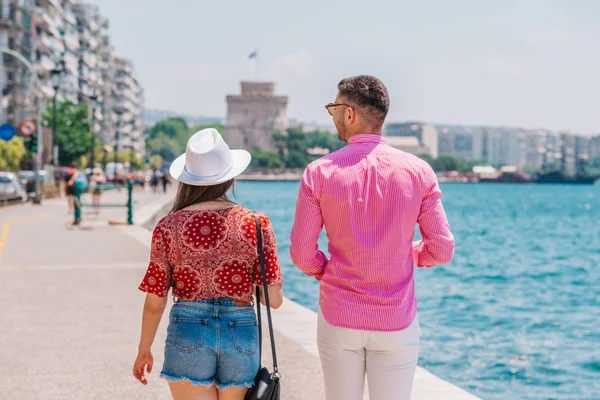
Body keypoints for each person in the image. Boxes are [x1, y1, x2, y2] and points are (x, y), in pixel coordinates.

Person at [289, 75, 455, 400]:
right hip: (396, 318)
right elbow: (442, 249)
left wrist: (327, 270)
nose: (333, 116)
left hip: (340, 314)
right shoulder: (419, 172)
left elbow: (301, 254)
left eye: (334, 108)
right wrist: (411, 255)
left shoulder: (318, 173)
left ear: (349, 113)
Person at [133, 128, 284, 400]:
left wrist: (144, 349)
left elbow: (155, 301)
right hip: (241, 330)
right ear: (230, 176)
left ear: (188, 180)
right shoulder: (256, 223)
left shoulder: (168, 227)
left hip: (187, 328)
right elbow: (272, 299)